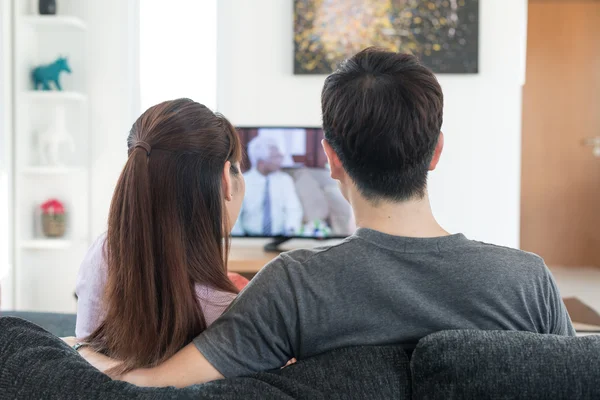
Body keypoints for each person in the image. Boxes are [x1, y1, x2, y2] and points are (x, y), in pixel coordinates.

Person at [69, 48, 575, 386]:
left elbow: (147, 385)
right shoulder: (528, 280)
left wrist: (76, 351)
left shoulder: (291, 288)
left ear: (330, 158)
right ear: (436, 151)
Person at [72, 98, 247, 374]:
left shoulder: (104, 251)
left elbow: (84, 364)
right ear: (226, 179)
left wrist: (79, 348)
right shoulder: (237, 311)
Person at [232, 135, 303, 236]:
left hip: (279, 238)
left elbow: (294, 209)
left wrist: (290, 232)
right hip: (250, 238)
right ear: (261, 162)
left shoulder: (285, 180)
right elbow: (234, 217)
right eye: (275, 157)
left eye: (280, 155)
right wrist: (240, 239)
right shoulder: (242, 182)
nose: (281, 159)